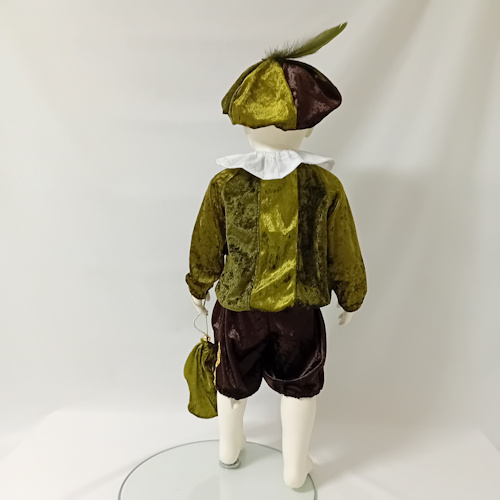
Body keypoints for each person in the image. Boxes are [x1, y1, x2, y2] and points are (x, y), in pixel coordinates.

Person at [186, 23, 367, 489]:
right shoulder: (325, 185)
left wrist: (199, 287)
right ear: (309, 126)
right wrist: (351, 297)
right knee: (300, 387)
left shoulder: (226, 184)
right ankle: (294, 468)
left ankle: (229, 450)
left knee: (232, 381)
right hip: (298, 313)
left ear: (244, 122)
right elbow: (343, 249)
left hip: (239, 310)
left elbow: (206, 242)